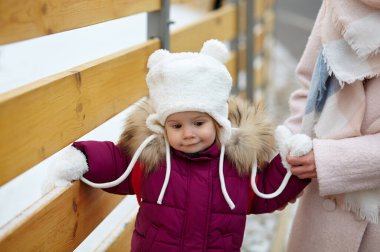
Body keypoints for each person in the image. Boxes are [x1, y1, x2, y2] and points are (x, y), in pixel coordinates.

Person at [45, 40, 311, 251]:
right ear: (163, 126)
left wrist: (288, 165)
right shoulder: (152, 159)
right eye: (177, 126)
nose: (188, 134)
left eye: (198, 123)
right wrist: (82, 158)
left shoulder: (236, 164)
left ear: (217, 122)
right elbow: (116, 162)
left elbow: (266, 191)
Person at [282, 0, 380, 251]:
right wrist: (290, 149)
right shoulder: (337, 4)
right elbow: (308, 85)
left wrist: (329, 161)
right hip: (322, 208)